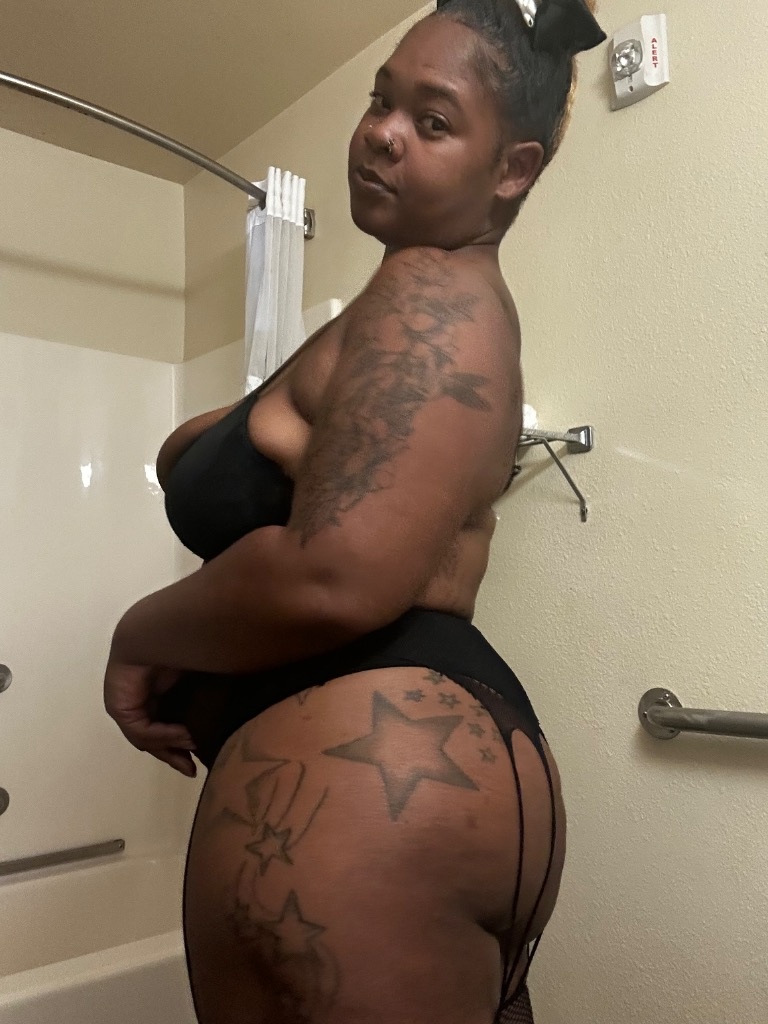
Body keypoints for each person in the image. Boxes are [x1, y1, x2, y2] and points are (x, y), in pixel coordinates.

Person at [103, 1, 605, 1021]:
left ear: (512, 169)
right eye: (381, 101)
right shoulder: (412, 307)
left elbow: (335, 573)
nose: (382, 133)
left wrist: (137, 636)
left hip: (360, 775)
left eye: (432, 120)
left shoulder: (430, 297)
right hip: (424, 767)